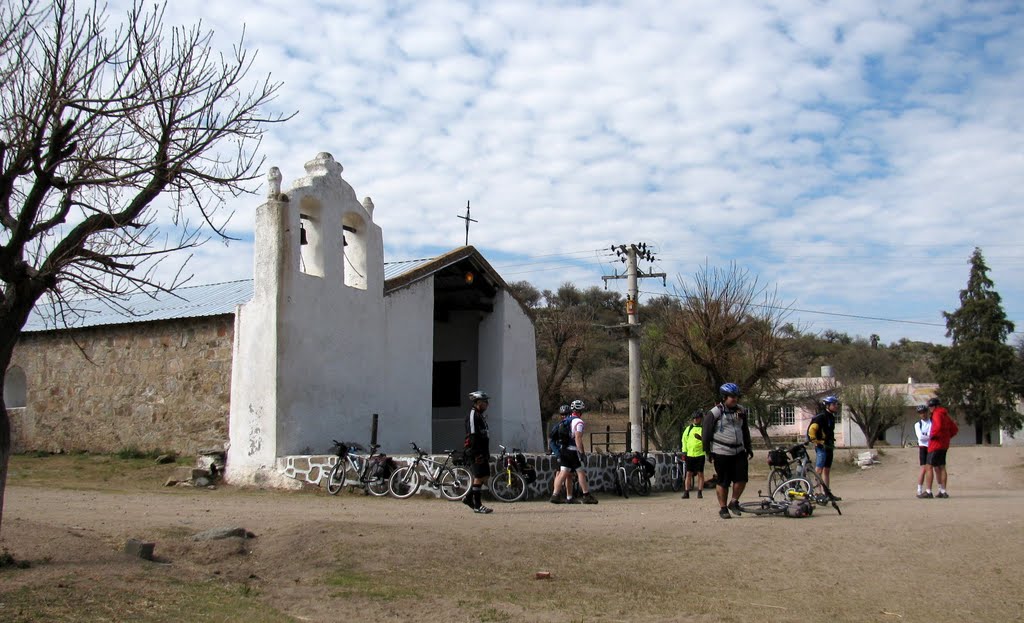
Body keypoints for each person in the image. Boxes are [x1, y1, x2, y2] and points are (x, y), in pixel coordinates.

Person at [702, 383, 753, 519]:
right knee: (723, 481)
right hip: (721, 451)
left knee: (742, 478)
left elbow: (745, 430)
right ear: (724, 397)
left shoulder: (741, 411)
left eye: (736, 396)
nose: (735, 399)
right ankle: (723, 508)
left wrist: (748, 447)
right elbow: (706, 433)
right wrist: (708, 452)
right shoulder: (715, 412)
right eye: (732, 396)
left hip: (739, 450)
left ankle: (734, 501)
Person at [550, 400, 598, 504]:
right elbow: (578, 438)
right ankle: (586, 495)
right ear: (581, 411)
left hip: (563, 450)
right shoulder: (579, 422)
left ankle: (555, 495)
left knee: (563, 472)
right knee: (580, 472)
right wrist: (582, 453)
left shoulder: (567, 420)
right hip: (572, 451)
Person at [463, 390, 494, 513]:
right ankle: (477, 505)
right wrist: (477, 453)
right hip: (476, 451)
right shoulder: (472, 416)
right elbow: (472, 436)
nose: (487, 404)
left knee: (484, 475)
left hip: (482, 451)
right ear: (479, 402)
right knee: (479, 476)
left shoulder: (480, 415)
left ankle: (468, 498)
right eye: (485, 402)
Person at [925, 397, 959, 499]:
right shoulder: (946, 415)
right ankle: (943, 491)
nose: (930, 408)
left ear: (935, 406)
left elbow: (938, 426)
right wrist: (947, 437)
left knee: (929, 466)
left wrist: (933, 435)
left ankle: (928, 491)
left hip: (936, 444)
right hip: (944, 444)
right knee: (941, 467)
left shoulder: (937, 414)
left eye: (931, 406)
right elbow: (954, 429)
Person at [808, 395, 840, 498]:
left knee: (827, 470)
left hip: (829, 446)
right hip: (822, 447)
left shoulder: (831, 416)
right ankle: (819, 493)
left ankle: (827, 493)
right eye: (834, 404)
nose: (836, 406)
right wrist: (815, 441)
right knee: (819, 470)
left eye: (836, 404)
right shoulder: (821, 417)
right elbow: (812, 429)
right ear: (827, 405)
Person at [680, 410, 705, 499]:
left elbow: (707, 440)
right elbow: (684, 440)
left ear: (700, 419)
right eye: (694, 418)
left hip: (700, 454)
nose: (695, 420)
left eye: (697, 418)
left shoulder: (704, 428)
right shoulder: (689, 429)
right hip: (690, 454)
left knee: (700, 473)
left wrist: (701, 438)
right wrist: (684, 452)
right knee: (688, 473)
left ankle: (700, 492)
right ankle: (686, 492)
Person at [914, 405, 932, 498]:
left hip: (931, 447)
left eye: (924, 412)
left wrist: (927, 436)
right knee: (923, 469)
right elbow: (920, 437)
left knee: (933, 469)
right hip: (923, 447)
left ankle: (935, 489)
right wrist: (929, 436)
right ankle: (919, 490)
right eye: (921, 413)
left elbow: (932, 433)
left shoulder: (932, 422)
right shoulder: (918, 424)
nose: (923, 414)